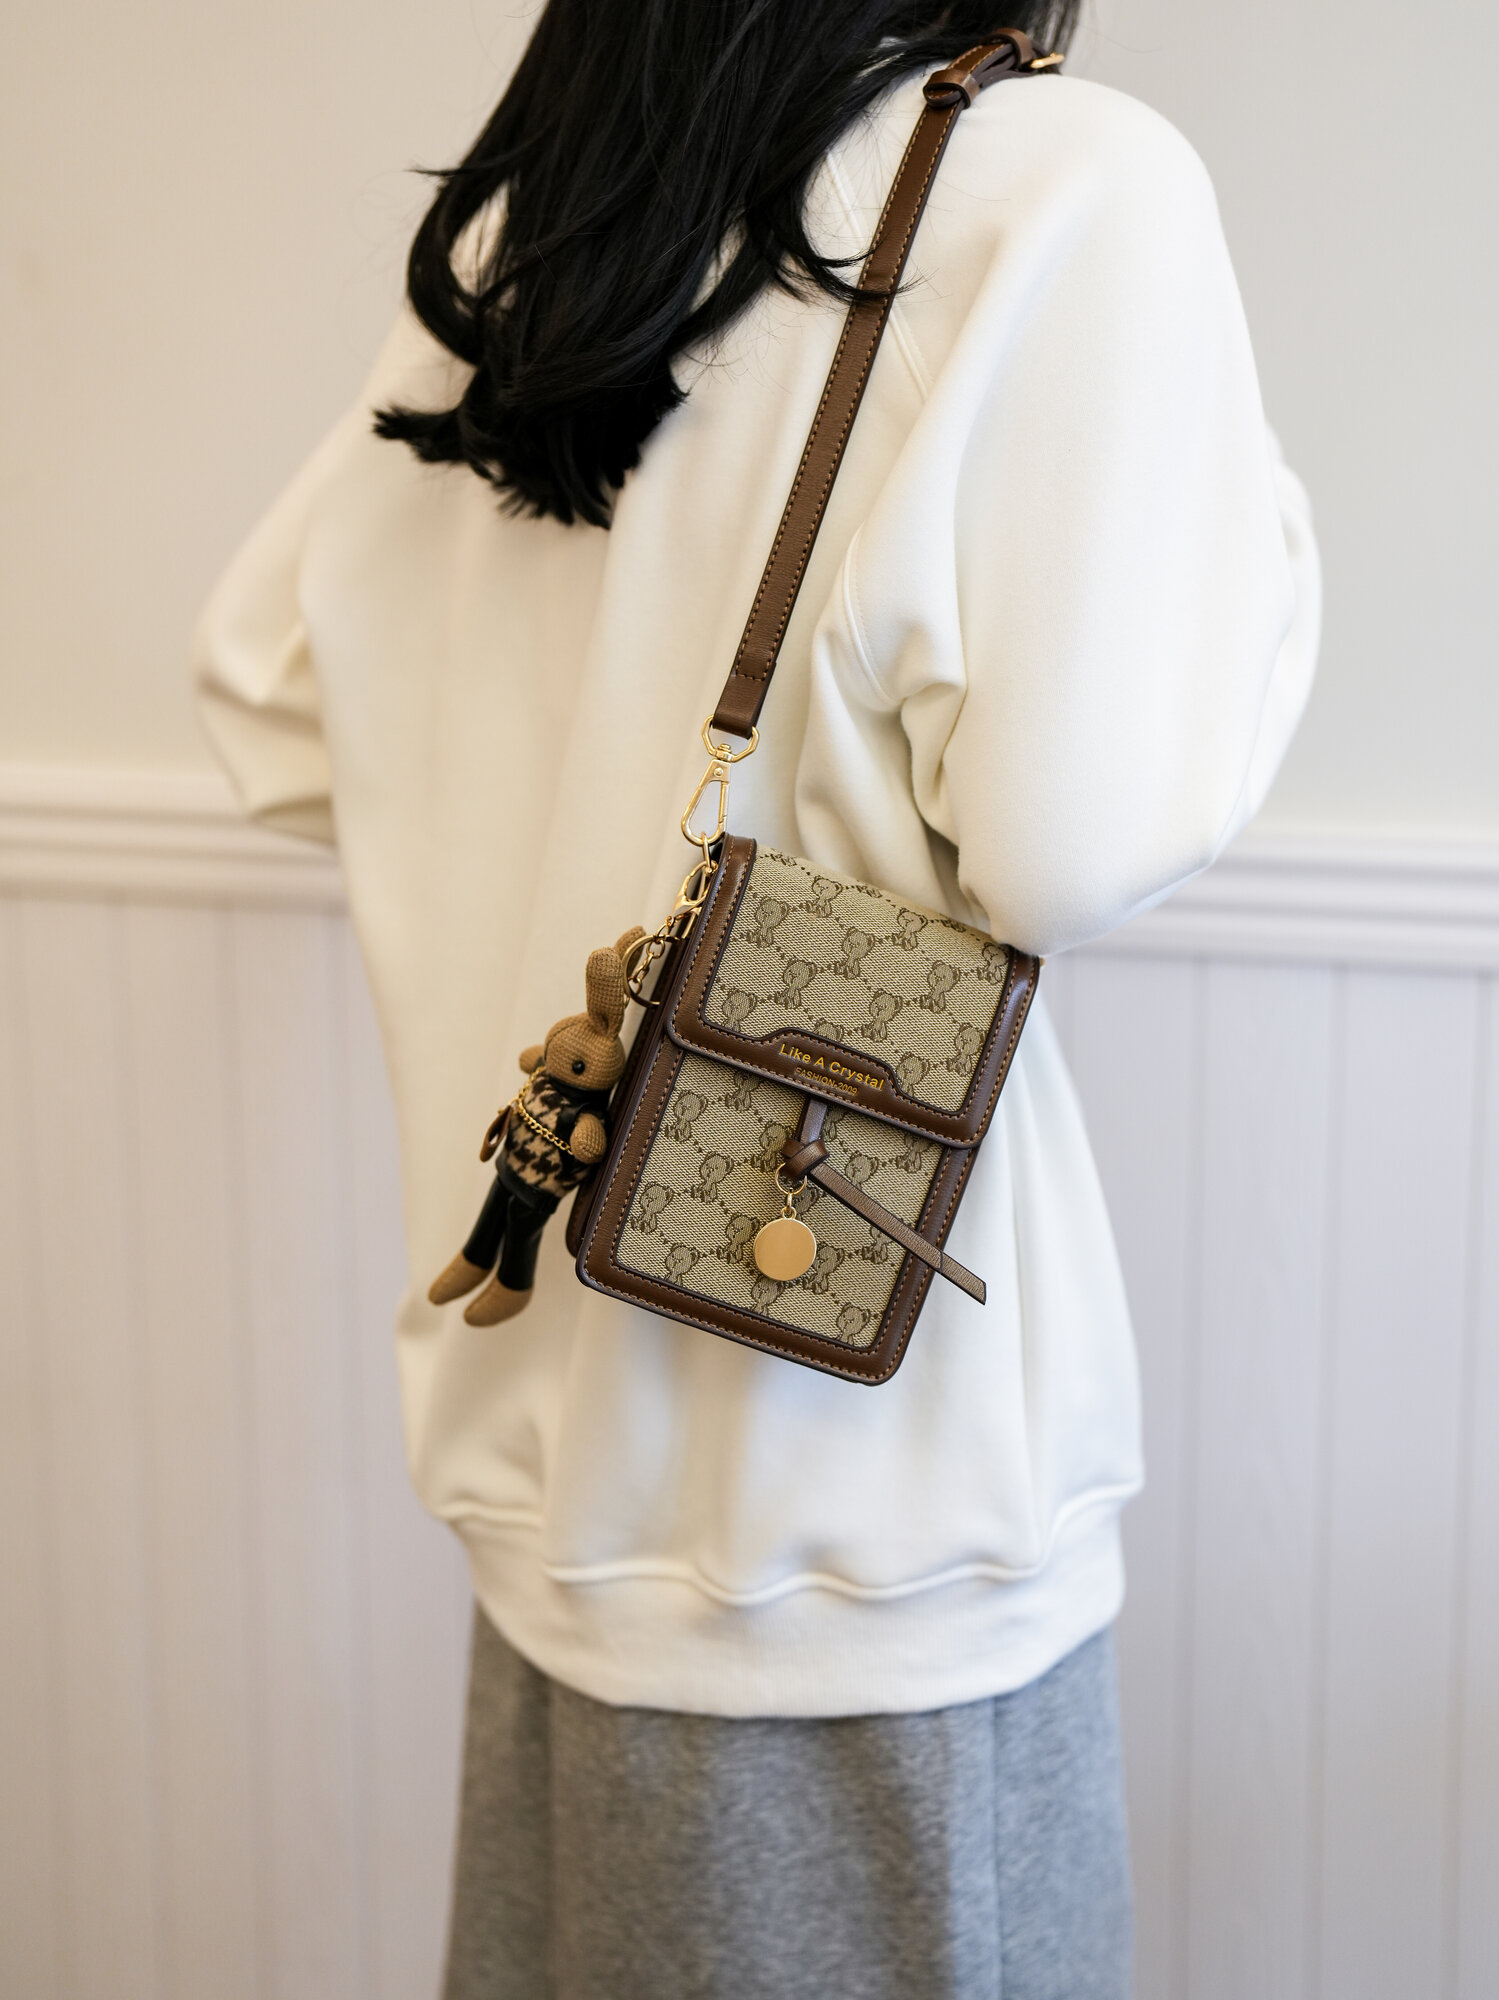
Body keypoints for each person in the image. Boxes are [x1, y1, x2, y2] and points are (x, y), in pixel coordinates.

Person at [195, 2, 1320, 1993]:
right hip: (866, 1538)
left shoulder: (561, 215)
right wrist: (1271, 555)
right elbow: (1073, 840)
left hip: (545, 1476)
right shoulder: (1062, 183)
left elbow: (269, 695)